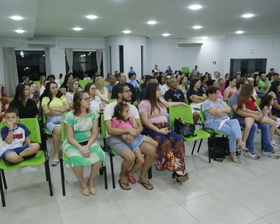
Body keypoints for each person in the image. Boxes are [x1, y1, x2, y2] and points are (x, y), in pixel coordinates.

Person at [104, 84, 156, 190]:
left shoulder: (132, 108)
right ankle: (122, 175)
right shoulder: (110, 107)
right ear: (119, 94)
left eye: (130, 91)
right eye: (127, 91)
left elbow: (140, 126)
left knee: (152, 150)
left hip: (133, 136)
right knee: (130, 157)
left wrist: (133, 134)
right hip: (114, 137)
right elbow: (110, 130)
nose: (130, 93)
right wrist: (128, 130)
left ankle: (142, 176)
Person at [139, 82, 189, 183]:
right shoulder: (144, 103)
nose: (160, 91)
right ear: (152, 91)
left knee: (178, 141)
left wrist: (181, 103)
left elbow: (167, 104)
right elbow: (145, 121)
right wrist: (158, 130)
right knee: (165, 144)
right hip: (151, 129)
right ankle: (177, 170)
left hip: (165, 127)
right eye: (158, 89)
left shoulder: (160, 100)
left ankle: (179, 170)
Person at [62, 91, 105, 196]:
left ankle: (91, 180)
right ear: (78, 101)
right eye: (86, 99)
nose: (89, 101)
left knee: (100, 155)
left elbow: (95, 133)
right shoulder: (70, 116)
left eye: (89, 99)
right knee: (75, 159)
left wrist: (88, 147)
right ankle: (82, 182)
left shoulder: (93, 114)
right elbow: (70, 137)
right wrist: (81, 149)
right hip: (73, 143)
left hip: (89, 141)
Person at [229, 78, 279, 159]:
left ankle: (267, 148)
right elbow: (239, 112)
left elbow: (255, 106)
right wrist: (254, 114)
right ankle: (248, 149)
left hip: (251, 115)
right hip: (237, 118)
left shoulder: (249, 97)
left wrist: (259, 112)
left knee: (266, 125)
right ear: (241, 86)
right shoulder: (234, 97)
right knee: (254, 126)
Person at [112, 101, 158, 184]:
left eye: (128, 111)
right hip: (131, 140)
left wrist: (132, 117)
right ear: (119, 112)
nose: (128, 113)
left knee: (156, 144)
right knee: (141, 160)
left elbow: (136, 127)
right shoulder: (115, 119)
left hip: (137, 135)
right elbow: (114, 131)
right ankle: (130, 172)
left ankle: (148, 157)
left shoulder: (128, 119)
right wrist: (126, 133)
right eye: (126, 111)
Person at [202, 86, 247, 164]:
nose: (217, 95)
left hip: (225, 120)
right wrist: (223, 111)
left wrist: (222, 111)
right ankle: (232, 154)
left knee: (235, 121)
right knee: (232, 132)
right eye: (215, 94)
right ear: (209, 94)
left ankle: (239, 142)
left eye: (217, 94)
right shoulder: (207, 103)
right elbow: (217, 114)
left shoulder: (219, 100)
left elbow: (229, 109)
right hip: (213, 123)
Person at [42, 81, 70, 165]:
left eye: (56, 87)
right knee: (57, 129)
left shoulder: (62, 97)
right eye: (53, 88)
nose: (55, 89)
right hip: (52, 121)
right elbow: (46, 112)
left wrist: (53, 110)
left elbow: (67, 107)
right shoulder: (45, 98)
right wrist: (61, 109)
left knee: (71, 127)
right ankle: (56, 154)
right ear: (48, 89)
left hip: (64, 119)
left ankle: (69, 152)